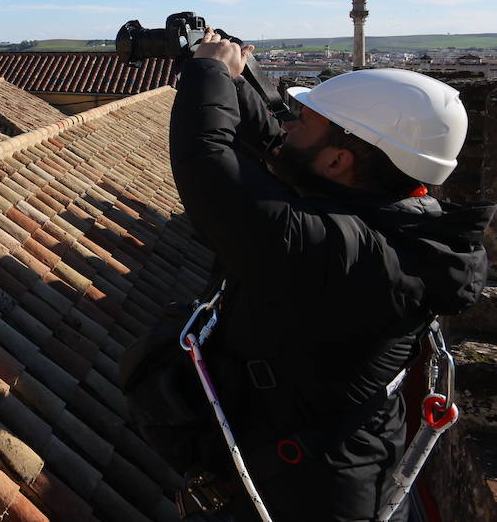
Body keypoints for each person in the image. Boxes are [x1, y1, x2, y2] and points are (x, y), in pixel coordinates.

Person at [166, 30, 492, 521]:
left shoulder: (346, 252)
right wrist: (234, 83)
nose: (287, 123)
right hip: (325, 461)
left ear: (340, 160)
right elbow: (286, 147)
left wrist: (206, 72)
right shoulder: (390, 213)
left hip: (309, 494)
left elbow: (208, 166)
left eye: (303, 120)